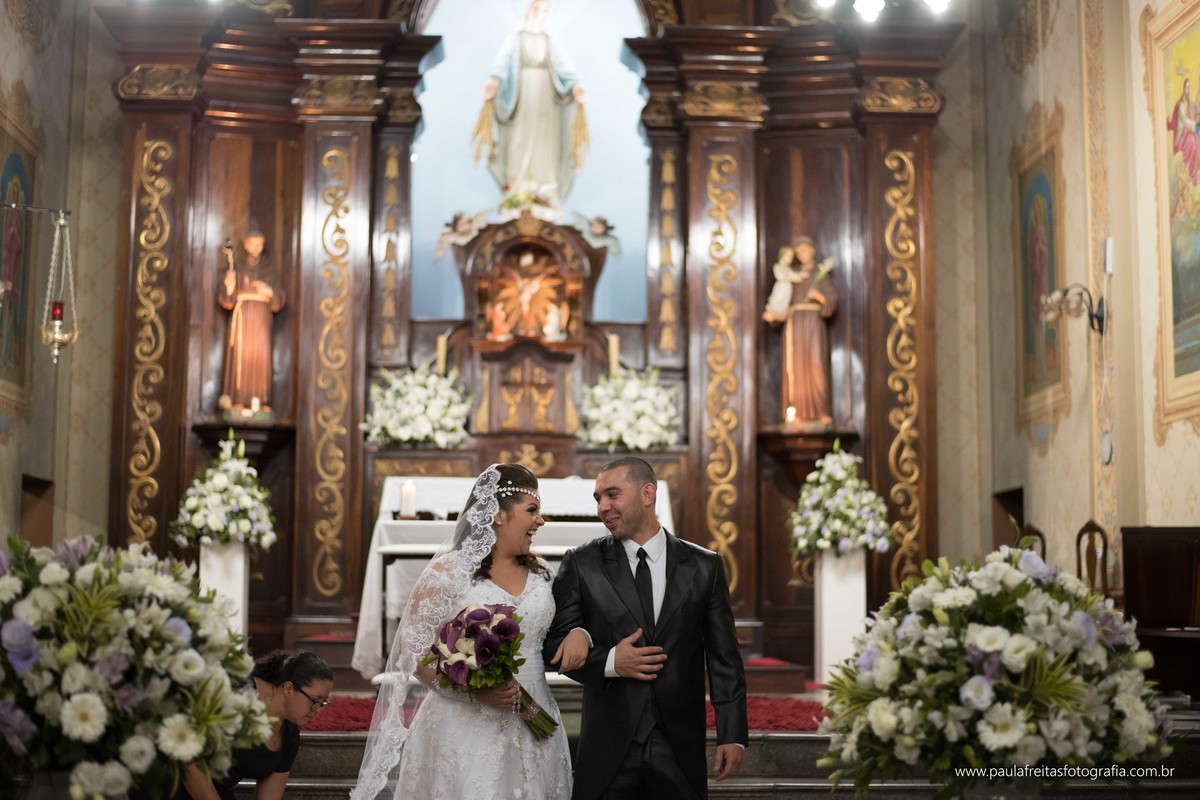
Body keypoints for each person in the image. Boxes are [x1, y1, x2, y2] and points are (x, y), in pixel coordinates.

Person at [351, 464, 591, 800]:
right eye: (532, 510)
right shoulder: (448, 572)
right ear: (498, 515)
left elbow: (560, 630)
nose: (540, 521)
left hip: (536, 711)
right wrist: (474, 694)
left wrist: (580, 632)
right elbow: (413, 651)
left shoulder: (543, 573)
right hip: (463, 723)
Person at [544, 457, 748, 799]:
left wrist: (733, 734)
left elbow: (724, 658)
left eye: (612, 495)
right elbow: (553, 647)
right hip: (608, 746)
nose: (603, 507)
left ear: (647, 494)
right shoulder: (582, 563)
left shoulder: (705, 566)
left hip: (679, 745)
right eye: (598, 498)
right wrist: (611, 662)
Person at [175, 649, 333, 800]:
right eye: (315, 701)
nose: (318, 710)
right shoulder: (236, 692)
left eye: (323, 703)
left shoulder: (289, 736)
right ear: (288, 688)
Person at [475, 0, 587, 208]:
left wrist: (576, 86)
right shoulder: (516, 39)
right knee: (519, 139)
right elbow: (502, 63)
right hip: (523, 95)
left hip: (546, 100)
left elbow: (565, 67)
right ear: (527, 10)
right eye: (536, 8)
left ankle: (545, 191)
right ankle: (517, 189)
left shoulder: (550, 40)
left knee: (546, 142)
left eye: (544, 10)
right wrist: (493, 80)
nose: (539, 13)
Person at [762, 236, 838, 427]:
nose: (802, 255)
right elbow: (782, 298)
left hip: (813, 324)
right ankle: (795, 412)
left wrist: (818, 296)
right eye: (798, 252)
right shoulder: (792, 275)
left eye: (804, 250)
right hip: (794, 324)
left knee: (816, 364)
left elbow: (832, 301)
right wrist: (775, 314)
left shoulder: (820, 274)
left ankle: (821, 411)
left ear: (812, 250)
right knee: (795, 367)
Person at [217, 230, 285, 411]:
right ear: (246, 246)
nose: (257, 248)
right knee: (241, 355)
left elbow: (279, 298)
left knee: (261, 357)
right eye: (253, 244)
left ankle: (261, 399)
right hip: (243, 317)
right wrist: (230, 282)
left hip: (261, 318)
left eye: (260, 245)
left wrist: (268, 291)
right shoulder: (238, 268)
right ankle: (238, 398)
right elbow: (227, 300)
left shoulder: (269, 270)